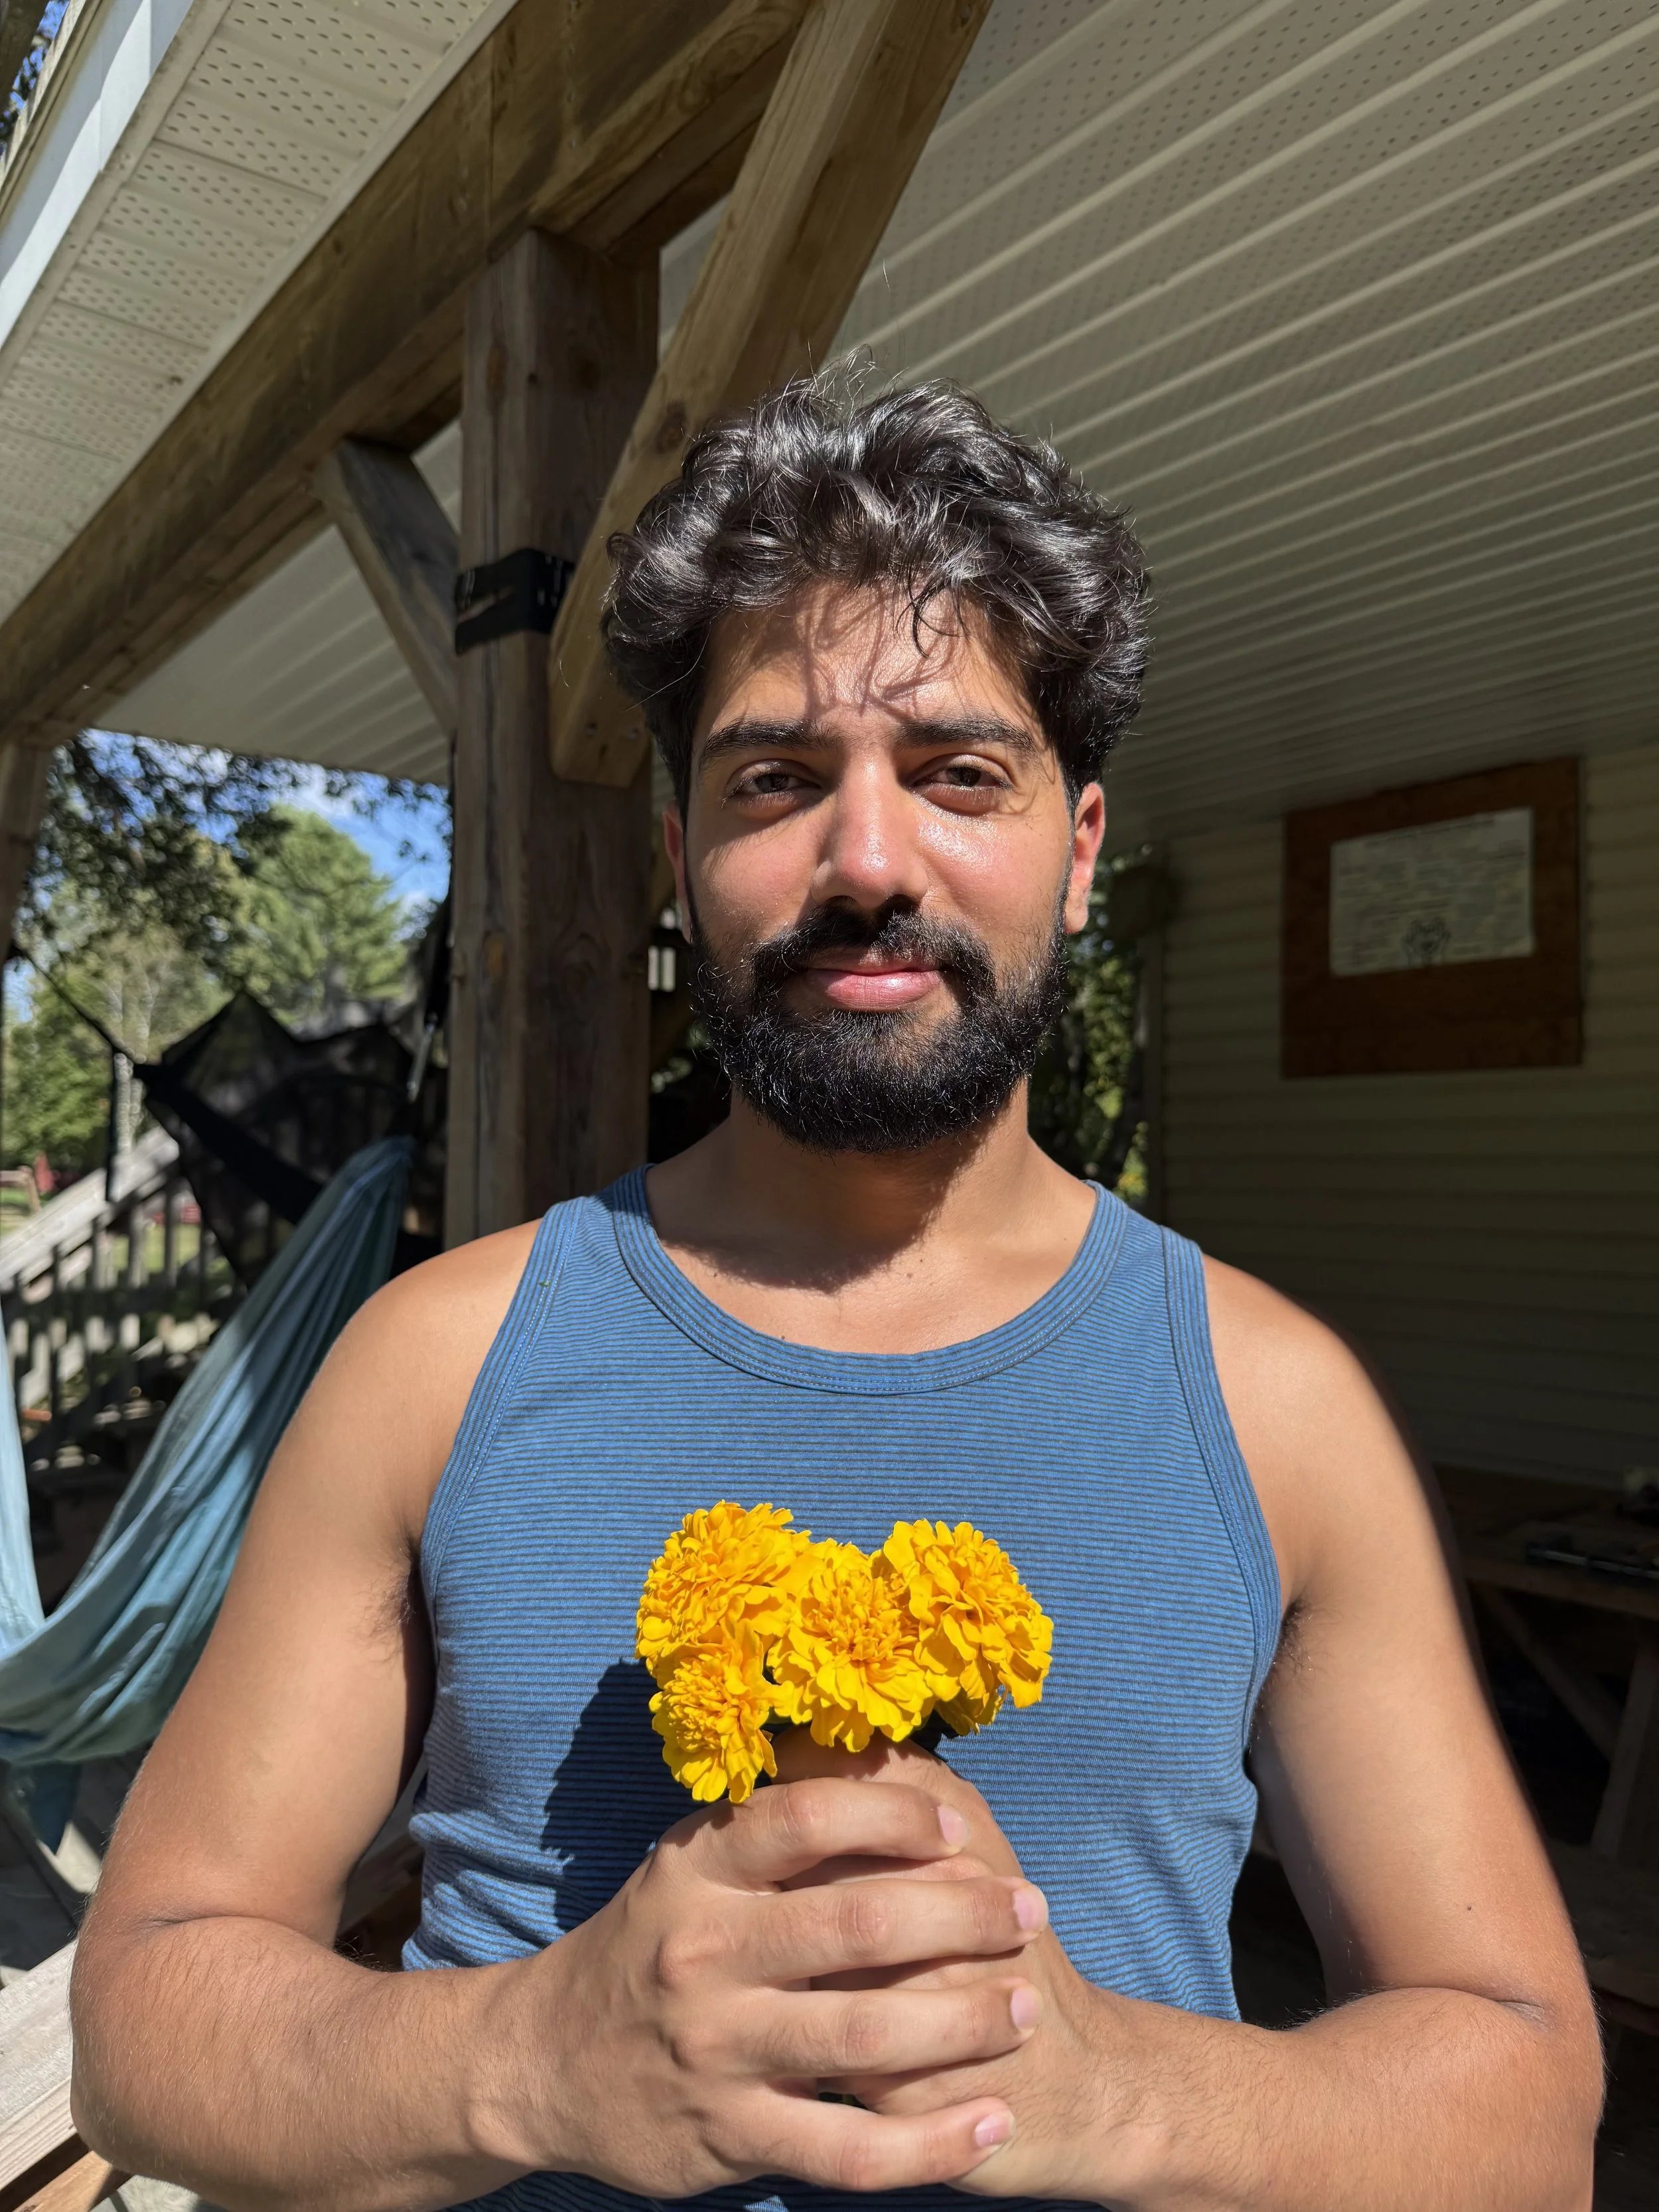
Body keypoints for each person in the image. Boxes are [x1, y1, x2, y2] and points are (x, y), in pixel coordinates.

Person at [71, 372, 1599, 2212]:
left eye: (958, 772)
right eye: (776, 778)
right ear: (681, 859)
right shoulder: (439, 1360)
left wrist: (1118, 2091)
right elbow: (144, 2019)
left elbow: (1523, 2100)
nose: (867, 861)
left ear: (1082, 845)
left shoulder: (1275, 1402)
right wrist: (534, 2055)